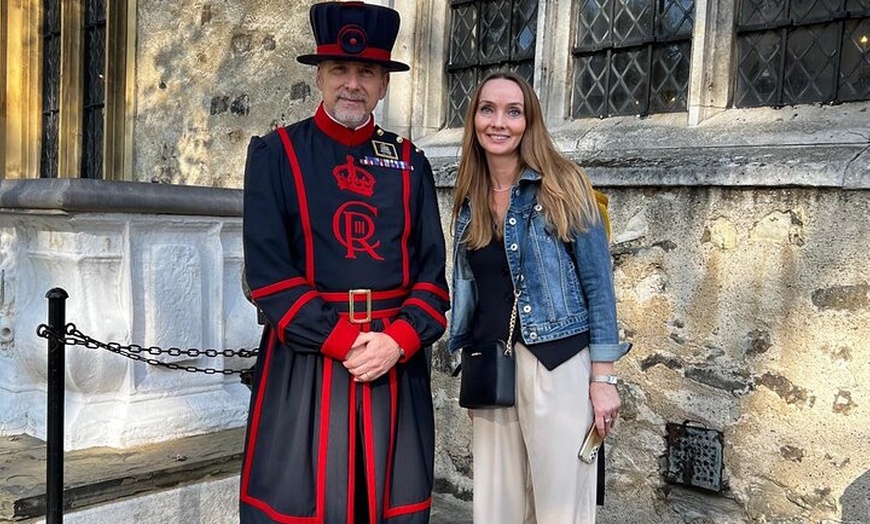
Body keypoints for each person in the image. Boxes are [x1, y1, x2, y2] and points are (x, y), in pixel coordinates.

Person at [240, 3, 449, 523]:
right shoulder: (276, 154)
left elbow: (432, 277)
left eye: (367, 73)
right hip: (306, 365)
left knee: (387, 507)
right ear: (319, 77)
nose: (352, 84)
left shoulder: (408, 162)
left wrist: (397, 342)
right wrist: (345, 342)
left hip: (391, 365)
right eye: (340, 70)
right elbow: (269, 277)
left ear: (383, 85)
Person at [449, 71, 631, 523]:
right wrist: (471, 378)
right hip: (493, 368)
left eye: (514, 112)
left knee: (558, 507)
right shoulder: (468, 197)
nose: (499, 122)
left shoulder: (565, 184)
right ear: (474, 119)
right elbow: (473, 292)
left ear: (530, 122)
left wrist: (603, 380)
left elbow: (598, 287)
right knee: (498, 509)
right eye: (487, 109)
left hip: (559, 363)